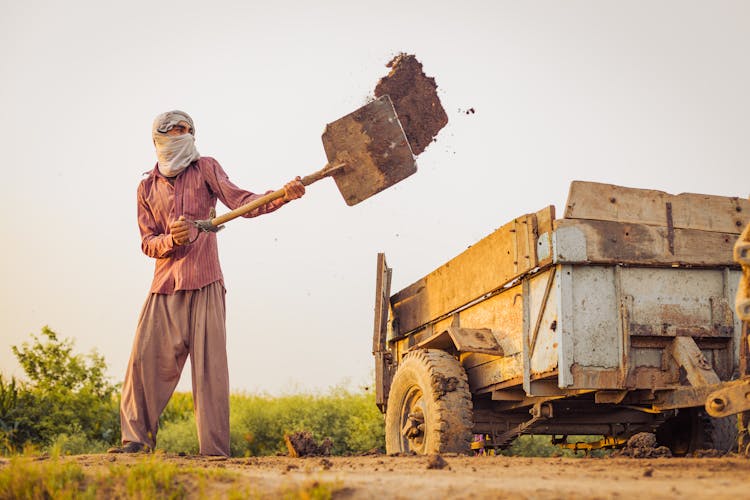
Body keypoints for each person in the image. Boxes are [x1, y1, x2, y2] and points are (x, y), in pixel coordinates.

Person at [108, 110, 304, 456]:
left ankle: (213, 451)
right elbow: (147, 242)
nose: (181, 136)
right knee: (144, 361)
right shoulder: (146, 187)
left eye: (187, 131)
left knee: (210, 371)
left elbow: (244, 202)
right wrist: (172, 240)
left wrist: (283, 195)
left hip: (207, 281)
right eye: (173, 131)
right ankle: (136, 441)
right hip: (165, 285)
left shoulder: (206, 168)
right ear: (158, 139)